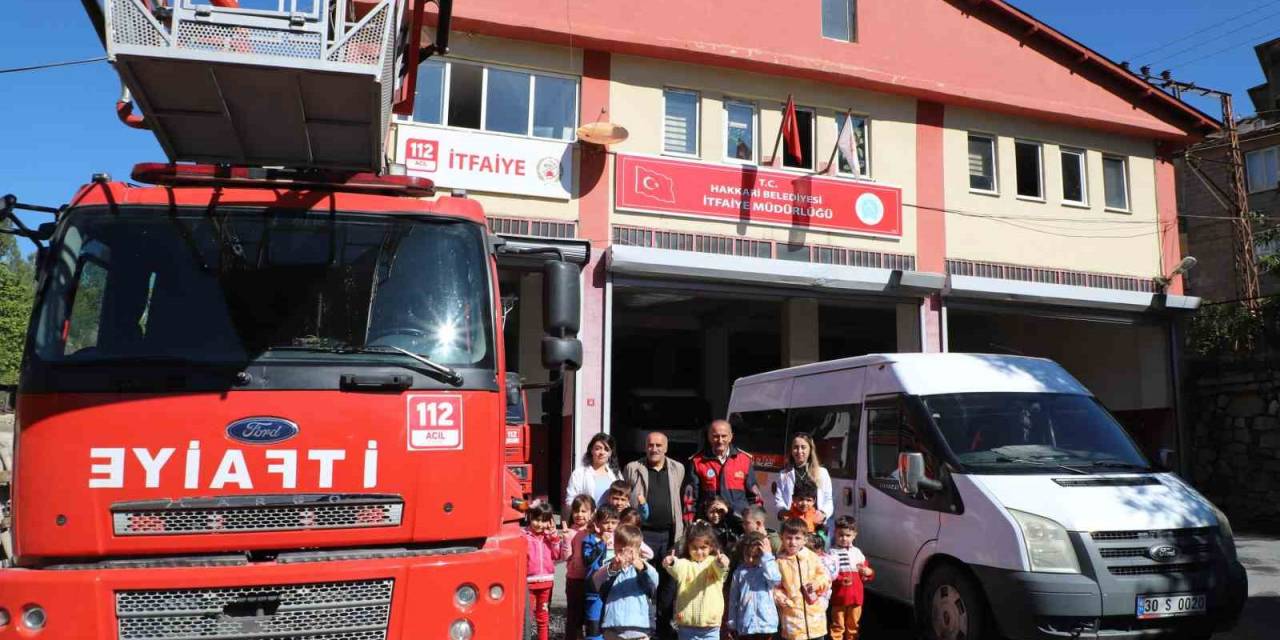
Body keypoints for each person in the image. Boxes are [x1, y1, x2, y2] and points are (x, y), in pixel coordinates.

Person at [624, 431, 686, 640]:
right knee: (642, 580)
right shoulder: (633, 468)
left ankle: (663, 629)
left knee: (668, 583)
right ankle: (640, 629)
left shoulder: (678, 468)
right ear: (645, 447)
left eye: (659, 445)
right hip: (643, 534)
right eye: (650, 445)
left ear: (666, 448)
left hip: (669, 535)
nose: (654, 449)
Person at [683, 420, 763, 523]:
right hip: (708, 524)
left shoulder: (744, 460)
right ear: (709, 437)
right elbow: (690, 499)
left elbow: (754, 497)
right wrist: (690, 525)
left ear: (731, 437)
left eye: (724, 436)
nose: (720, 440)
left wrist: (756, 523)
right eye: (715, 436)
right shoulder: (697, 462)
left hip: (738, 522)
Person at [663, 521, 730, 640]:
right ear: (687, 547)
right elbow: (677, 567)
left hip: (711, 626)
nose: (699, 552)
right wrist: (671, 562)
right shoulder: (685, 564)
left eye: (703, 547)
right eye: (694, 548)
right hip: (687, 626)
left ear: (712, 547)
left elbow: (721, 568)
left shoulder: (713, 563)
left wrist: (722, 561)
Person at [593, 524, 660, 640]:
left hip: (639, 627)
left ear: (638, 550)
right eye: (620, 550)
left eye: (630, 551)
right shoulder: (610, 566)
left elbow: (655, 581)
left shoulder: (642, 568)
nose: (625, 555)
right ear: (614, 548)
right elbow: (596, 580)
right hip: (612, 627)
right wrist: (613, 568)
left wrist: (640, 565)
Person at [774, 518, 831, 640]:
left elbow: (825, 577)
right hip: (793, 621)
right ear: (781, 538)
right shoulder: (779, 562)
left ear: (805, 540)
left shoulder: (812, 557)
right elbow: (775, 587)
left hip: (816, 620)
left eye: (797, 538)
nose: (793, 542)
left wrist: (816, 584)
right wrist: (780, 597)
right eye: (789, 538)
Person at [726, 531, 782, 640]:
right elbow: (733, 599)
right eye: (748, 555)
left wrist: (767, 557)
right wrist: (732, 624)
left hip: (766, 625)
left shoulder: (767, 568)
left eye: (756, 556)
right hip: (746, 625)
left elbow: (775, 580)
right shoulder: (739, 573)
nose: (751, 560)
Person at [523, 501, 565, 640]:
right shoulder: (524, 536)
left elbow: (557, 555)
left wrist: (553, 537)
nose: (539, 524)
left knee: (543, 617)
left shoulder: (550, 538)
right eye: (536, 519)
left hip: (546, 583)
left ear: (549, 522)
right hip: (528, 584)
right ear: (530, 517)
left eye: (543, 521)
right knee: (526, 618)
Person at [827, 516, 874, 640]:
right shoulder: (831, 553)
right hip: (839, 598)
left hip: (856, 598)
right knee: (837, 626)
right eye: (840, 535)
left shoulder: (857, 552)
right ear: (835, 534)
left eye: (848, 535)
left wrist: (868, 572)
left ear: (854, 535)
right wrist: (840, 579)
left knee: (853, 626)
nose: (844, 538)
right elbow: (827, 575)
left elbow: (867, 573)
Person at [773, 432, 833, 528]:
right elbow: (779, 500)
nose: (799, 451)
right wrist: (782, 512)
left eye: (803, 447)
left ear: (810, 450)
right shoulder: (784, 474)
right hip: (793, 527)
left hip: (815, 526)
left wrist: (823, 514)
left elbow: (828, 499)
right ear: (791, 450)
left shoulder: (822, 473)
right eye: (795, 447)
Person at [583, 504, 623, 640]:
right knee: (594, 624)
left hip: (613, 588)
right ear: (598, 524)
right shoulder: (590, 540)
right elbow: (588, 561)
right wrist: (601, 544)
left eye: (614, 522)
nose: (610, 526)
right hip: (595, 589)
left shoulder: (619, 540)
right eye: (606, 522)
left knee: (611, 624)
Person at [563, 494, 598, 640]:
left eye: (584, 511)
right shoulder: (570, 532)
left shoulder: (596, 532)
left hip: (592, 578)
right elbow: (566, 557)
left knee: (591, 615)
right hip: (575, 579)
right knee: (574, 616)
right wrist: (565, 540)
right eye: (576, 511)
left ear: (592, 513)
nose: (579, 515)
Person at [568, 433, 625, 512]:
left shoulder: (616, 475)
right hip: (587, 521)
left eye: (606, 449)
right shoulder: (579, 474)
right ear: (591, 450)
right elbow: (570, 500)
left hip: (609, 522)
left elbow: (624, 497)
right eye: (598, 448)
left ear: (610, 453)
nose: (602, 452)